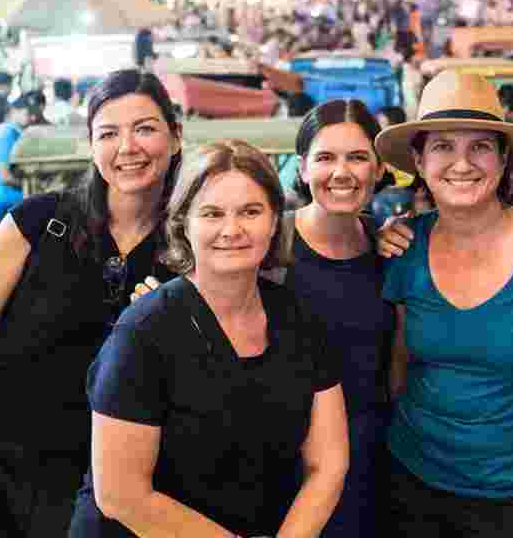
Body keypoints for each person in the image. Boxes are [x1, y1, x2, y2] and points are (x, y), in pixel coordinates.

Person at [0, 68, 180, 538]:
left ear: (175, 137)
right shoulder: (40, 221)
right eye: (109, 133)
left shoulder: (186, 250)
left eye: (145, 128)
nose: (127, 147)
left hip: (87, 486)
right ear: (92, 144)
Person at [70, 140, 349, 537]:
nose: (231, 230)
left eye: (251, 212)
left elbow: (328, 464)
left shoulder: (299, 320)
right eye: (212, 213)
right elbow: (120, 495)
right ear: (184, 222)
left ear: (274, 221)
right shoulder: (143, 334)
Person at [374, 70, 513, 537]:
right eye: (443, 147)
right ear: (418, 160)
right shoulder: (405, 246)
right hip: (409, 483)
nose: (462, 163)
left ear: (502, 160)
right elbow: (399, 367)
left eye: (479, 146)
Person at [282, 99, 395, 538]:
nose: (342, 172)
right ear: (303, 168)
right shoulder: (268, 246)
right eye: (325, 158)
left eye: (358, 157)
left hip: (372, 467)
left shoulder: (388, 247)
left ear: (380, 168)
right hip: (287, 469)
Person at [0, 95, 33, 224]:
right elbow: (5, 176)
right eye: (27, 113)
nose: (31, 118)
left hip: (14, 205)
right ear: (14, 111)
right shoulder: (7, 133)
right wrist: (33, 188)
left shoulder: (16, 133)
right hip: (8, 205)